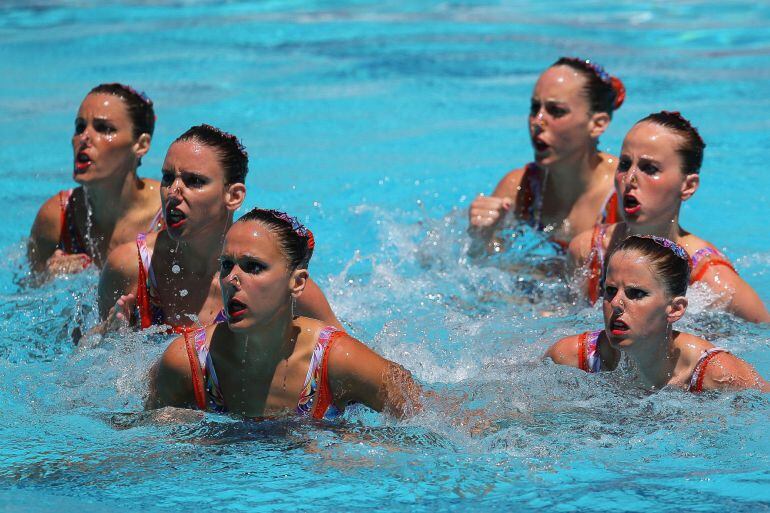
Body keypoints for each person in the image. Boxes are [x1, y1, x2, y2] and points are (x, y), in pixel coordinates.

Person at [146, 208, 420, 419]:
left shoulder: (336, 359)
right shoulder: (187, 363)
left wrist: (349, 444)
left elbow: (432, 419)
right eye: (227, 265)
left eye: (253, 267)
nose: (231, 279)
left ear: (297, 282)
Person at [98, 124, 340, 334]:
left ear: (233, 196)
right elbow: (84, 361)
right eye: (168, 178)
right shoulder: (130, 266)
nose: (172, 192)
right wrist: (109, 338)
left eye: (194, 181)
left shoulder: (272, 282)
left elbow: (346, 356)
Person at [569, 111, 770, 323]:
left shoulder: (712, 281)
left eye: (650, 168)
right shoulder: (588, 251)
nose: (630, 178)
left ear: (688, 186)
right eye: (625, 164)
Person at [547, 235, 769, 392]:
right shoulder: (571, 357)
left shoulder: (717, 373)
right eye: (611, 291)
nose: (616, 303)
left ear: (675, 309)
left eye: (636, 293)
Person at [468, 57, 625, 253]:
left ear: (597, 124)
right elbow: (484, 267)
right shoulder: (519, 188)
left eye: (556, 111)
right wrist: (482, 236)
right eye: (535, 108)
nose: (537, 121)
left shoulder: (625, 194)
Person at [28, 83, 162, 275]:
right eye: (80, 127)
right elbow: (26, 290)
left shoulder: (168, 214)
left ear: (141, 145)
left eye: (104, 128)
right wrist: (49, 279)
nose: (84, 137)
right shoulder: (57, 218)